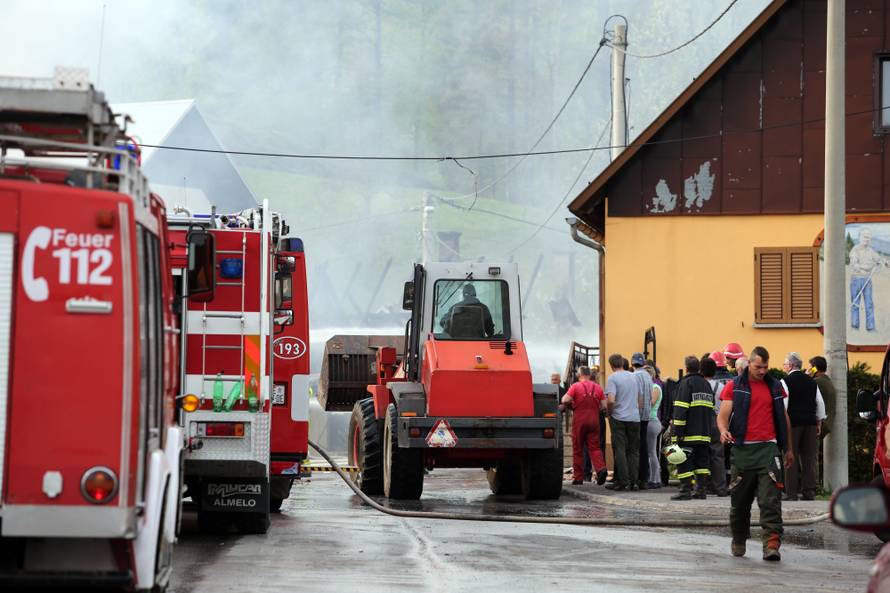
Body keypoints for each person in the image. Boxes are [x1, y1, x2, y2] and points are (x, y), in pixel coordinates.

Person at [717, 346, 793, 561]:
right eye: (758, 367)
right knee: (740, 503)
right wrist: (723, 431)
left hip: (769, 449)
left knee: (770, 501)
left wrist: (788, 448)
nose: (762, 371)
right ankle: (739, 538)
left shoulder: (775, 386)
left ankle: (771, 545)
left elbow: (784, 417)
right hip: (742, 450)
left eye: (766, 367)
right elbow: (723, 415)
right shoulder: (734, 386)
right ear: (749, 364)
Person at [781, 352, 827, 501]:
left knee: (790, 457)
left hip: (793, 424)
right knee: (809, 458)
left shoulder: (785, 381)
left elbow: (783, 405)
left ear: (790, 365)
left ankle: (791, 493)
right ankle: (809, 492)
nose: (784, 367)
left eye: (785, 364)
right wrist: (819, 421)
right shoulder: (811, 381)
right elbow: (820, 403)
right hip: (810, 423)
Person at [670, 356, 714, 500]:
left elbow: (680, 409)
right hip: (705, 433)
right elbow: (711, 409)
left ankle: (685, 490)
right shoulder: (706, 385)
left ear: (686, 368)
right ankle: (701, 490)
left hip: (688, 434)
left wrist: (676, 433)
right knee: (702, 462)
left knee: (683, 460)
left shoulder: (685, 383)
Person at [561, 366, 608, 486]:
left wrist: (572, 403)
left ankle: (578, 478)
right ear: (590, 375)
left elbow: (564, 400)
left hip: (580, 420)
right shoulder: (598, 387)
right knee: (595, 447)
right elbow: (604, 405)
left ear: (579, 375)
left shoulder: (575, 386)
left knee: (578, 448)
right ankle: (601, 469)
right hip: (594, 420)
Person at [604, 353, 641, 491]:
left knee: (620, 449)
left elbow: (611, 400)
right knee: (633, 450)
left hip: (619, 418)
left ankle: (623, 481)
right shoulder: (634, 377)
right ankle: (634, 481)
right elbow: (640, 398)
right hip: (634, 418)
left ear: (611, 365)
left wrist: (609, 413)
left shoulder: (613, 378)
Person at [849, 228, 888, 332]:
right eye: (865, 237)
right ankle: (854, 326)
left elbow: (879, 259)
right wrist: (867, 267)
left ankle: (870, 327)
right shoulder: (855, 250)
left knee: (869, 304)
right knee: (855, 304)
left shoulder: (870, 251)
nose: (867, 239)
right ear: (860, 237)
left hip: (867, 280)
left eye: (868, 237)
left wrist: (884, 262)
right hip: (856, 280)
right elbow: (855, 265)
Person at [702, 355, 728, 496]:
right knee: (718, 455)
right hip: (718, 421)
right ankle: (720, 487)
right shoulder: (722, 387)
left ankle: (704, 485)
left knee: (702, 453)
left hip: (703, 422)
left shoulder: (699, 385)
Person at [632, 352, 653, 490]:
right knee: (644, 447)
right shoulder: (648, 376)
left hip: (636, 416)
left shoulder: (634, 376)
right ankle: (644, 478)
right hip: (646, 415)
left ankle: (636, 478)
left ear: (632, 363)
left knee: (635, 448)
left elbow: (636, 396)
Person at [808, 355, 836, 440]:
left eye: (811, 368)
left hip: (820, 423)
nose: (809, 370)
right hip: (827, 422)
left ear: (815, 368)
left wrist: (807, 377)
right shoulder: (827, 381)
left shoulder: (816, 382)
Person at [644, 365, 663, 489]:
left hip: (652, 421)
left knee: (651, 452)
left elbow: (650, 403)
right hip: (650, 421)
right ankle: (653, 478)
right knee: (650, 452)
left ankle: (655, 479)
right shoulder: (651, 387)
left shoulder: (655, 387)